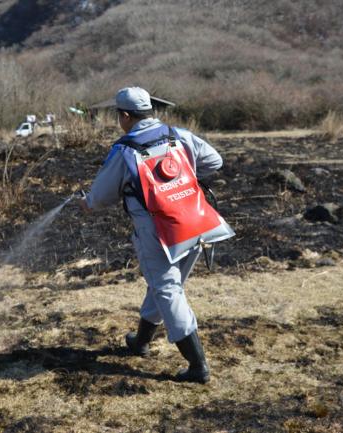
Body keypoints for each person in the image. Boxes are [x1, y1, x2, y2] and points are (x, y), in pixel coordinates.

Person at [80, 87, 232, 383]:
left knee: (166, 288)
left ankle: (197, 365)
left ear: (125, 116)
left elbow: (98, 198)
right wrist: (181, 178)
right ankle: (140, 342)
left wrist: (85, 204)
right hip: (196, 222)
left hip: (157, 232)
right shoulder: (179, 136)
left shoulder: (124, 150)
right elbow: (215, 162)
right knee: (162, 284)